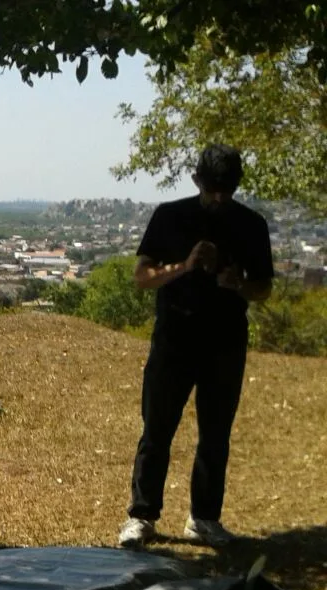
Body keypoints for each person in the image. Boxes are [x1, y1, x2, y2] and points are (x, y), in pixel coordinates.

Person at [119, 144, 274, 549]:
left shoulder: (252, 225)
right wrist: (184, 267)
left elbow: (264, 287)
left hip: (225, 342)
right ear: (196, 181)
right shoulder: (170, 217)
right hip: (174, 338)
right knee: (157, 429)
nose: (219, 196)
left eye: (227, 188)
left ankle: (204, 518)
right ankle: (142, 516)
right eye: (212, 188)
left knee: (216, 433)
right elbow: (141, 276)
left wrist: (237, 283)